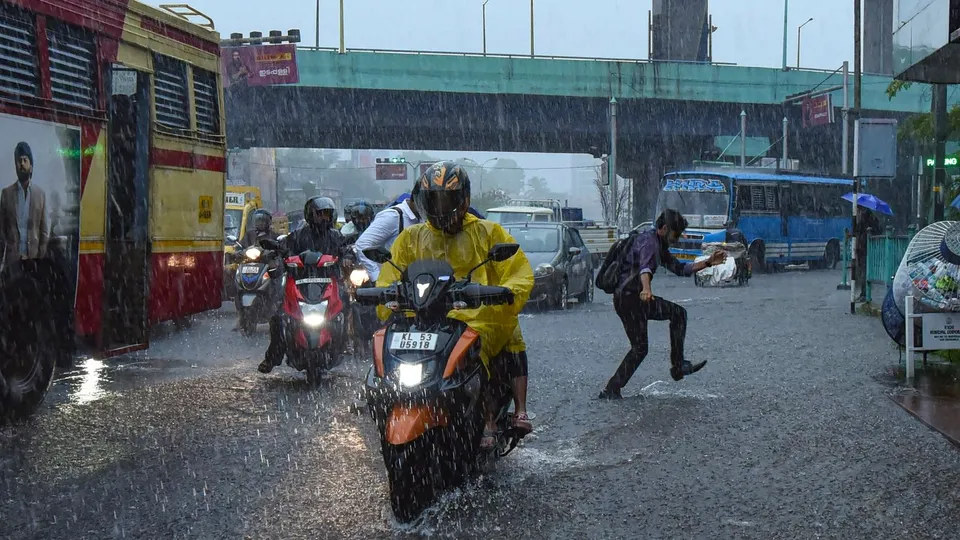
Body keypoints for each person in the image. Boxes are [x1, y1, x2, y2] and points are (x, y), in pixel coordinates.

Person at [376, 162, 534, 449]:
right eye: (433, 200)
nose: (439, 207)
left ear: (463, 200)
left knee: (507, 335)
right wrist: (383, 295)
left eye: (446, 200)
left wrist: (505, 292)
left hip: (476, 311)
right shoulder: (412, 237)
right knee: (387, 343)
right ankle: (381, 397)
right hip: (424, 312)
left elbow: (519, 272)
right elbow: (391, 274)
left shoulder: (488, 232)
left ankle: (500, 414)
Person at [598, 209, 727, 400]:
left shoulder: (658, 243)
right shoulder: (649, 242)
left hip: (631, 299)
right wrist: (646, 289)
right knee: (670, 321)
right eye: (675, 234)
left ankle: (613, 389)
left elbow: (680, 269)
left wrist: (708, 262)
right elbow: (645, 268)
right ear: (664, 228)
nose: (677, 239)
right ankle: (675, 367)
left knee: (646, 342)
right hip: (632, 299)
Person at [258, 196, 347, 373]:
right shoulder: (298, 236)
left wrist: (349, 258)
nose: (324, 219)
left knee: (346, 305)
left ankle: (345, 342)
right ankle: (273, 357)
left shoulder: (336, 236)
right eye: (320, 214)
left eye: (327, 215)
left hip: (328, 284)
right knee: (279, 317)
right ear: (310, 215)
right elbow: (282, 248)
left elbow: (346, 250)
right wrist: (274, 254)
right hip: (300, 283)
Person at [355, 190, 422, 282]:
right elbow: (362, 244)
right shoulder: (393, 216)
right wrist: (377, 277)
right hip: (394, 285)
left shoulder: (425, 218)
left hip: (420, 281)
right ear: (417, 198)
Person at [0, 142, 48, 263]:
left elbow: (44, 231)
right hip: (12, 262)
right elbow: (1, 229)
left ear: (31, 166)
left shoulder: (40, 195)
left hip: (33, 261)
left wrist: (39, 258)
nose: (21, 164)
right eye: (18, 160)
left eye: (25, 160)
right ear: (15, 165)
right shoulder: (6, 194)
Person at [855, 209, 880, 301]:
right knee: (863, 270)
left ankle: (865, 294)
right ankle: (864, 293)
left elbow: (860, 230)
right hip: (861, 247)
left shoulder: (866, 217)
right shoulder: (865, 217)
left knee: (864, 271)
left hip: (864, 247)